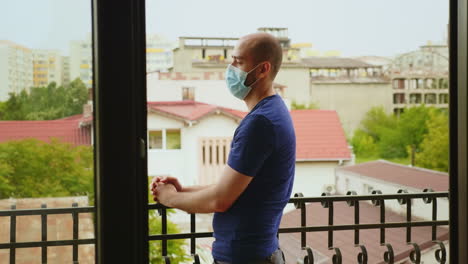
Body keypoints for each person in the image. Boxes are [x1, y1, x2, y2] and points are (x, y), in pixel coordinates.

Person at [151, 32, 296, 264]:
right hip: (257, 254)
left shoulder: (260, 123)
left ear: (262, 69)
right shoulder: (273, 112)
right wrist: (184, 190)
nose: (230, 69)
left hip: (246, 258)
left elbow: (220, 200)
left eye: (238, 62)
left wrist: (170, 199)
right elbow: (233, 188)